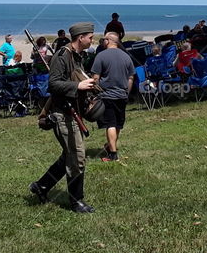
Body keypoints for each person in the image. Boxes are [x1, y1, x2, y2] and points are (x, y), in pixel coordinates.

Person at [30, 22, 97, 213]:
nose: (92, 40)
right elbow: (53, 85)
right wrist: (78, 87)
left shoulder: (76, 56)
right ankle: (76, 201)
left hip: (74, 113)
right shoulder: (62, 56)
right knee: (77, 157)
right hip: (63, 113)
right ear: (81, 37)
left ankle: (41, 186)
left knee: (69, 155)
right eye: (90, 37)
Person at [90, 31, 135, 162]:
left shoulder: (101, 56)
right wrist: (127, 92)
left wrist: (95, 92)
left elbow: (95, 78)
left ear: (108, 41)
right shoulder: (126, 56)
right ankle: (111, 145)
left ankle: (112, 154)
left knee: (110, 124)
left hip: (106, 95)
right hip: (122, 95)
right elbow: (131, 77)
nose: (102, 41)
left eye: (103, 39)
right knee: (118, 124)